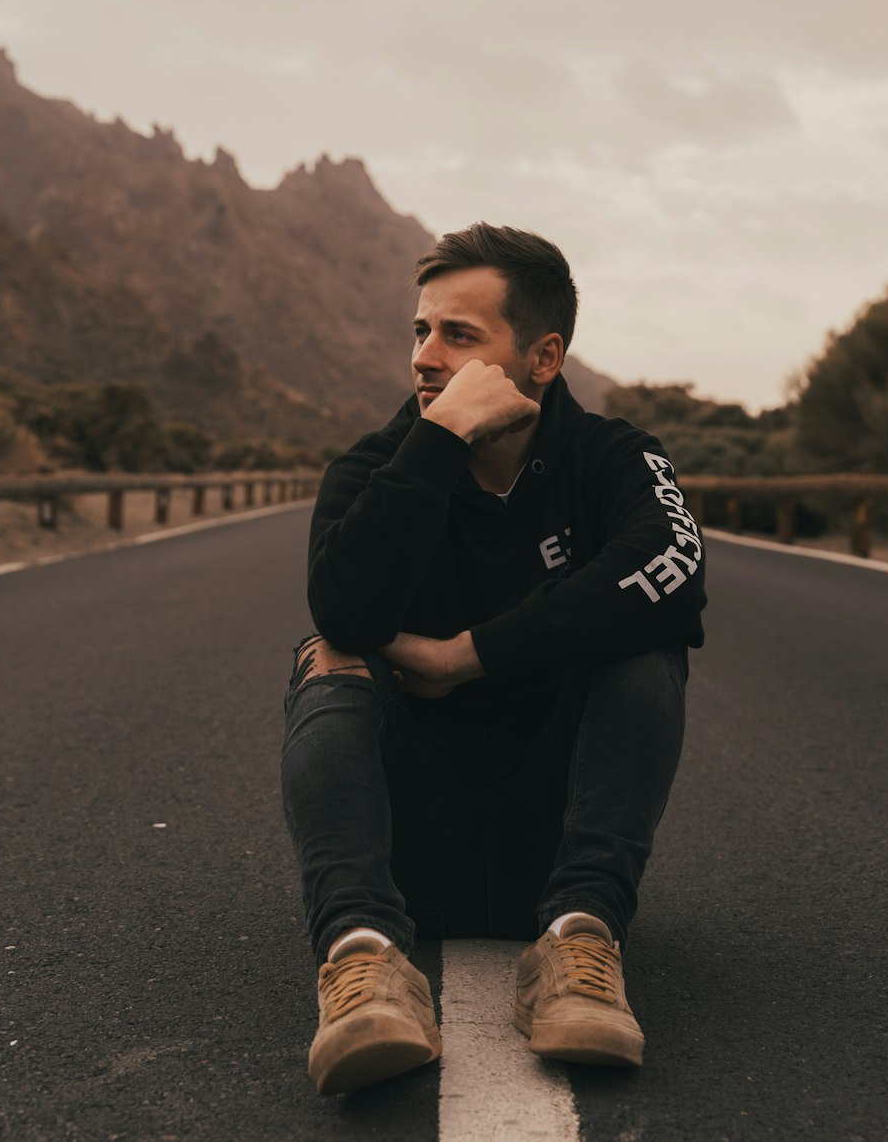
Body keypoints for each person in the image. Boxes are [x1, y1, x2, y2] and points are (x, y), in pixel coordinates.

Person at [281, 222, 706, 1095]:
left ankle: (581, 943)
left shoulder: (614, 458)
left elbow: (672, 571)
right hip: (411, 850)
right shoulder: (374, 470)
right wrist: (437, 443)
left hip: (548, 850)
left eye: (460, 335)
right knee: (330, 654)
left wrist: (464, 656)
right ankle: (363, 962)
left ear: (544, 357)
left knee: (644, 639)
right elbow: (345, 607)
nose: (426, 357)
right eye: (420, 331)